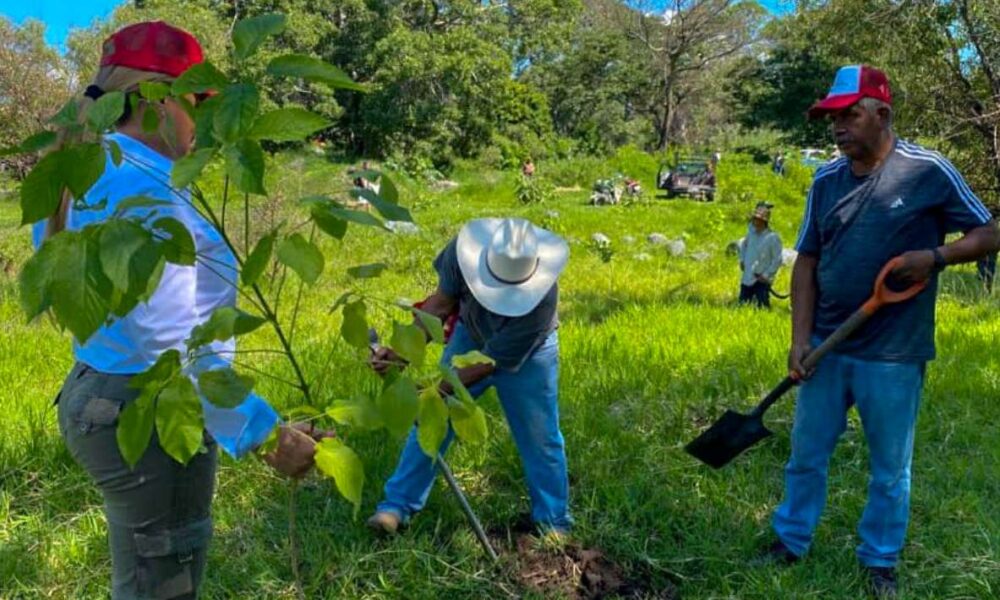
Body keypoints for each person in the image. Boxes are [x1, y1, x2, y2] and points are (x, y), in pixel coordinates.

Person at [32, 22, 323, 599]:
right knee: (162, 584)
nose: (207, 123)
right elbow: (170, 343)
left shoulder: (86, 168)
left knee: (143, 575)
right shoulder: (145, 186)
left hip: (99, 390)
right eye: (199, 102)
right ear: (160, 99)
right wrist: (267, 435)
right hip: (148, 402)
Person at [758, 65, 1000, 599]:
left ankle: (880, 559)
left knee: (890, 467)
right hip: (827, 344)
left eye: (849, 114)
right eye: (832, 118)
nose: (837, 127)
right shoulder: (826, 179)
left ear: (882, 114)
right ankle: (790, 540)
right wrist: (800, 340)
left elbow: (989, 232)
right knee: (806, 454)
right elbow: (806, 263)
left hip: (894, 352)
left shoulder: (928, 170)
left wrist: (936, 256)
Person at [366, 218, 573, 536]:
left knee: (540, 436)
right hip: (470, 333)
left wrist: (435, 388)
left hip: (530, 355)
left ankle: (553, 521)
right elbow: (440, 304)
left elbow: (491, 361)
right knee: (433, 421)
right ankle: (396, 507)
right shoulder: (462, 254)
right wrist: (401, 354)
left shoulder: (542, 301)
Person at [737, 203, 782, 308]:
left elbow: (777, 260)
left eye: (757, 220)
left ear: (764, 222)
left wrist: (766, 275)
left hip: (761, 280)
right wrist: (742, 260)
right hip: (747, 277)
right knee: (742, 306)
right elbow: (744, 245)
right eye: (754, 219)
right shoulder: (751, 234)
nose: (755, 222)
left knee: (762, 308)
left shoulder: (772, 238)